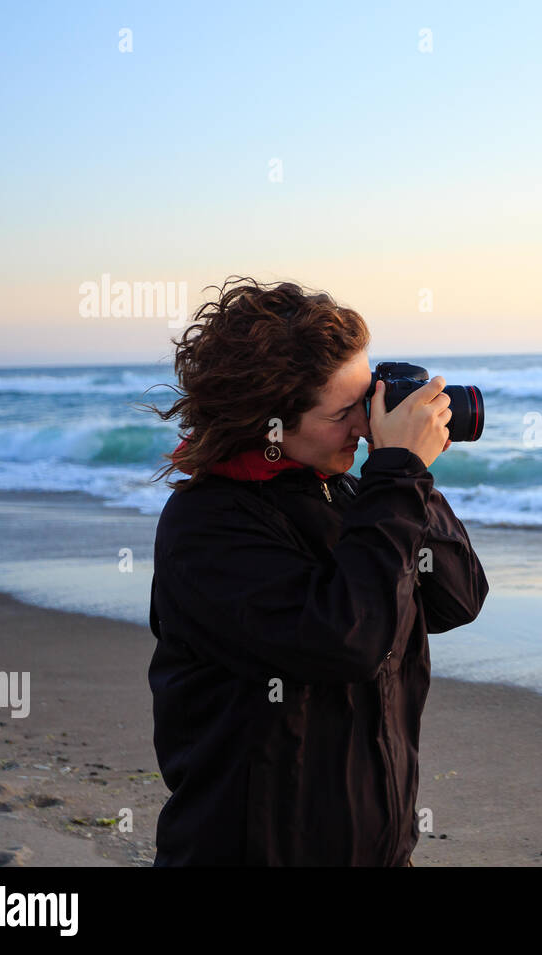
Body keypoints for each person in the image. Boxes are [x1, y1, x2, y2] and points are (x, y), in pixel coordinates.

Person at [144, 277, 488, 865]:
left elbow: (458, 598)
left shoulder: (358, 494)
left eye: (367, 399)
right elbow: (345, 641)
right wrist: (398, 476)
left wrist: (406, 474)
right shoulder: (207, 527)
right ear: (268, 422)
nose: (363, 424)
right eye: (343, 412)